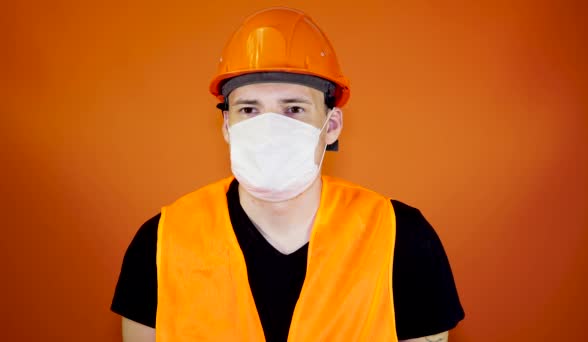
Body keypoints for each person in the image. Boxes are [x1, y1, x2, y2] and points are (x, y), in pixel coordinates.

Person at [111, 6, 464, 342]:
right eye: (249, 109)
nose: (270, 127)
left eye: (293, 108)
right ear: (226, 126)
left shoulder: (402, 239)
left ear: (332, 126)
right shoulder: (161, 243)